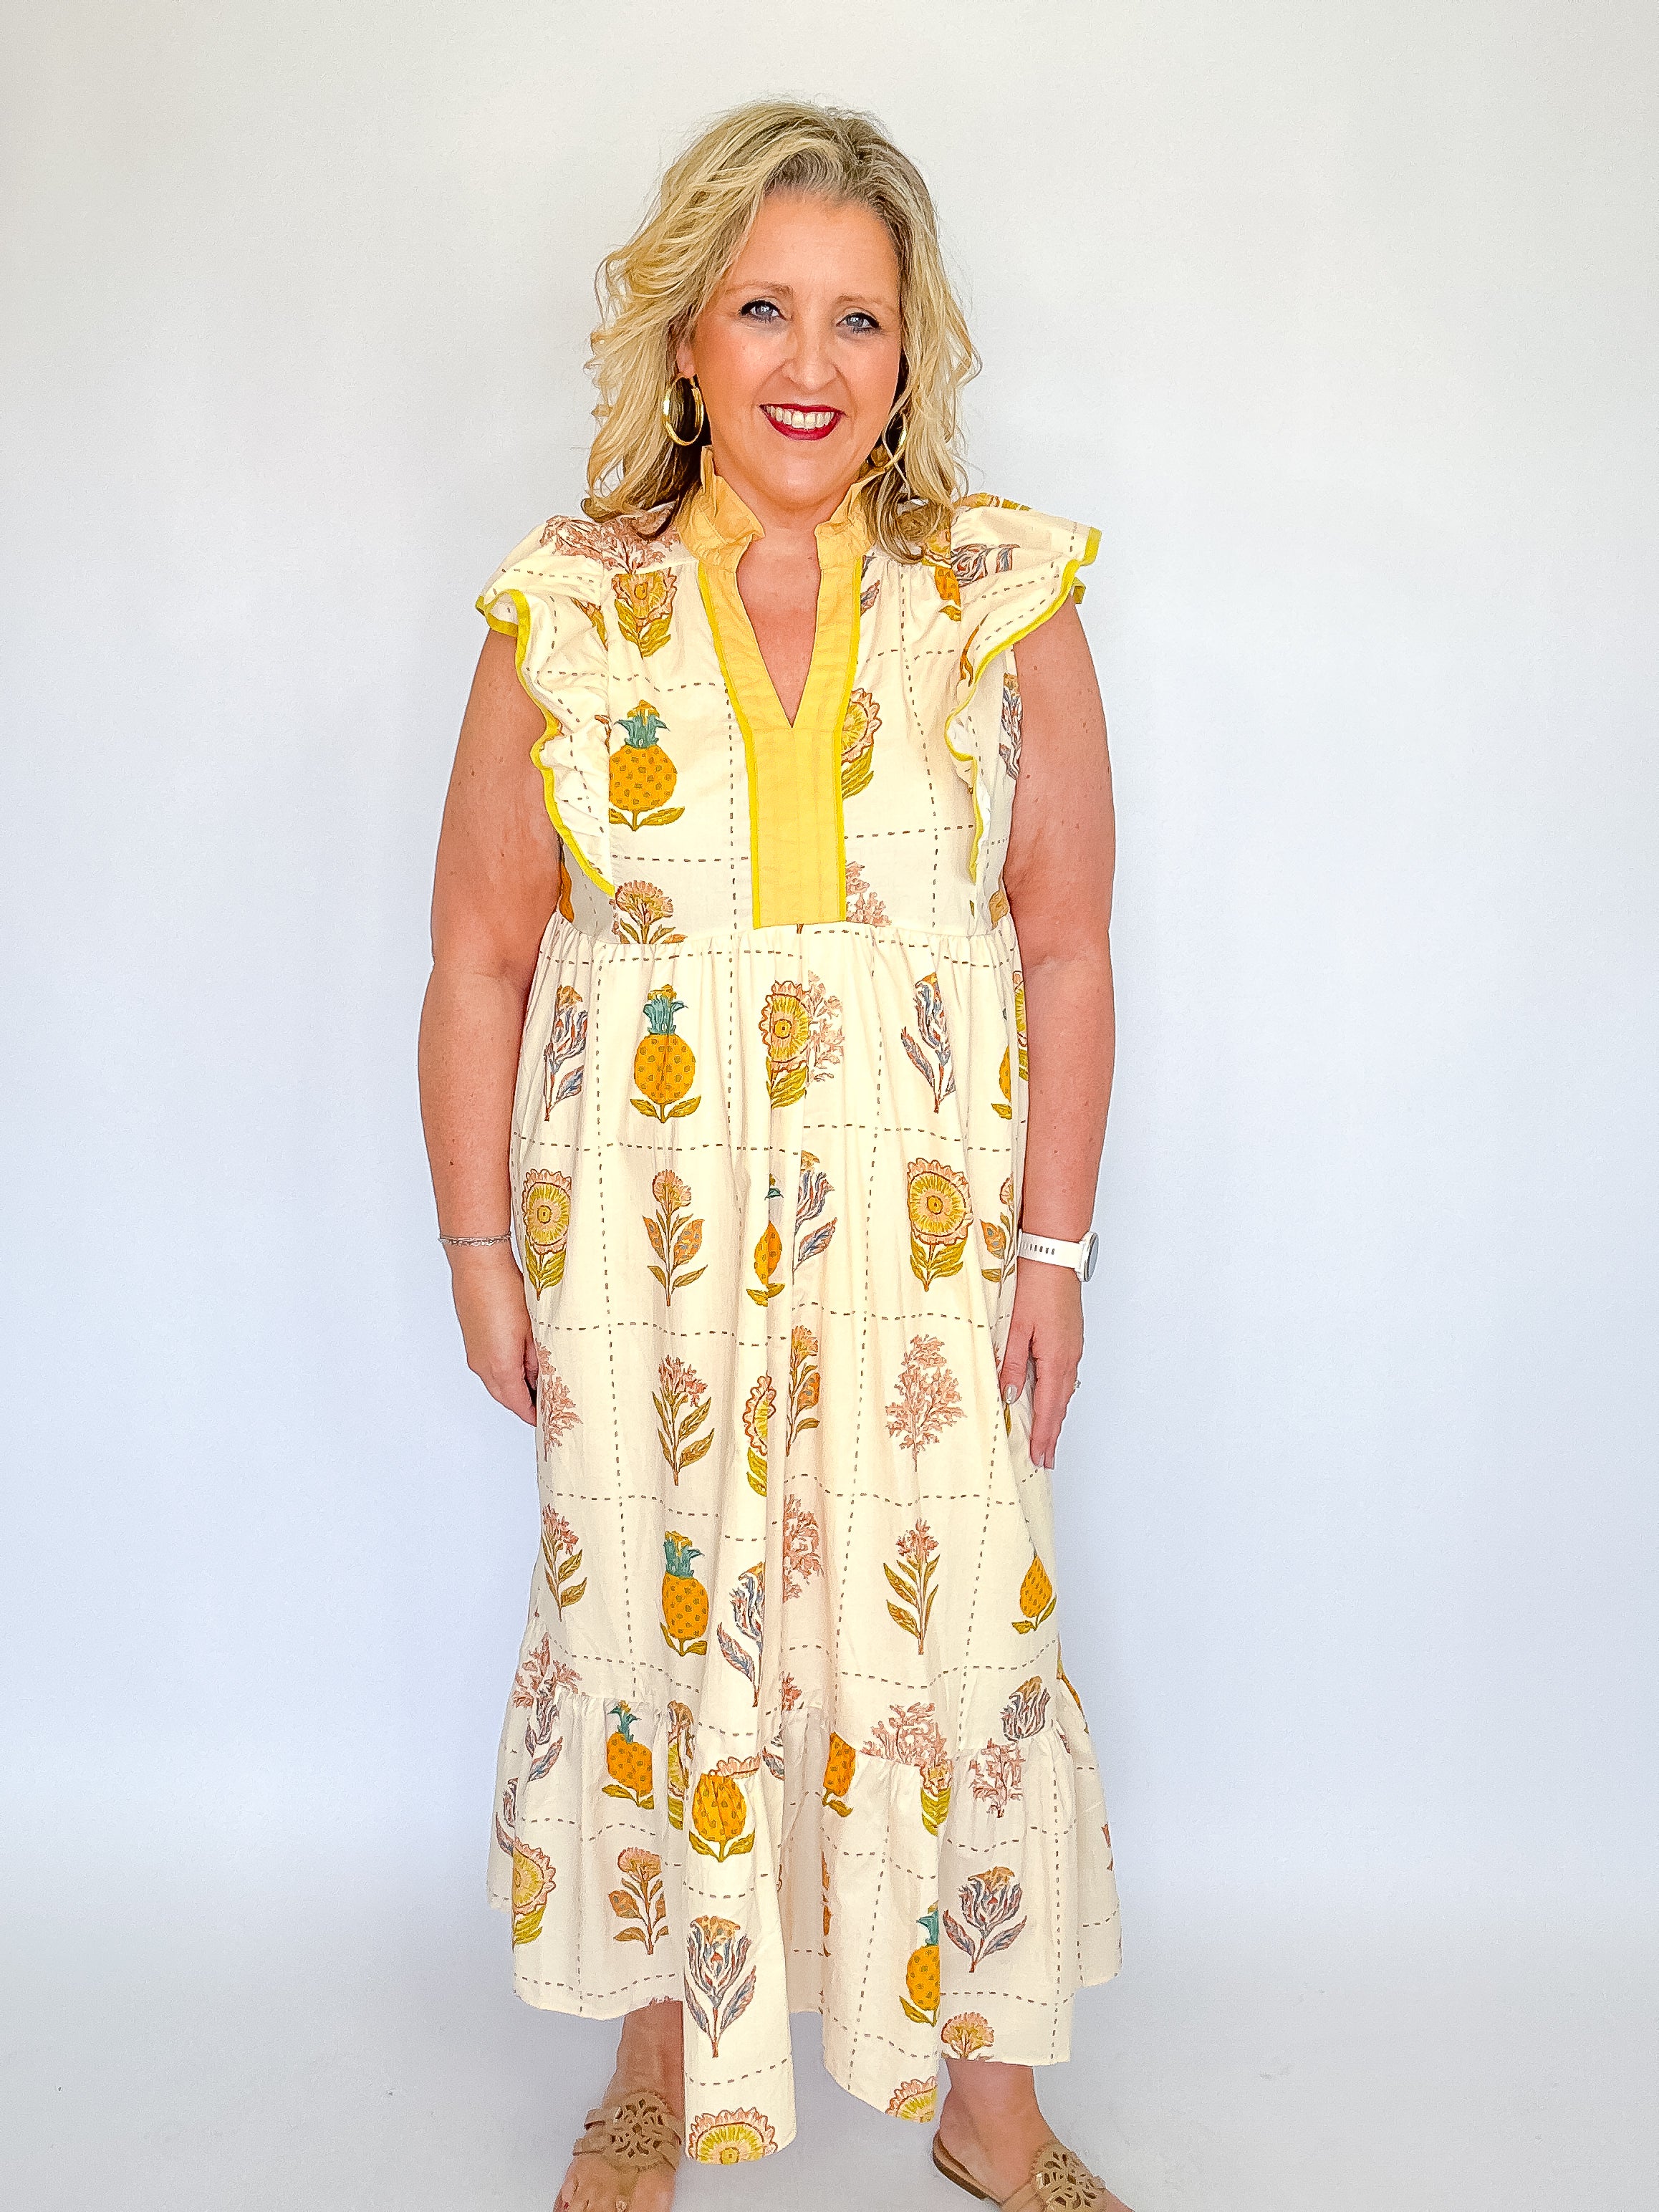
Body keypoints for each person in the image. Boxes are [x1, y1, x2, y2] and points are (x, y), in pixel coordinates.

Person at [418, 98, 1129, 2212]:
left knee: (960, 1640)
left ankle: (988, 2105)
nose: (809, 364)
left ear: (910, 354)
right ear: (685, 338)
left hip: (924, 1244)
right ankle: (658, 2062)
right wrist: (479, 1253)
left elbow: (1066, 945)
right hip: (642, 1247)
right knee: (659, 1627)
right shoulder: (568, 610)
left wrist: (1056, 1258)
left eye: (858, 319)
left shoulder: (996, 597)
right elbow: (480, 955)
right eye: (762, 310)